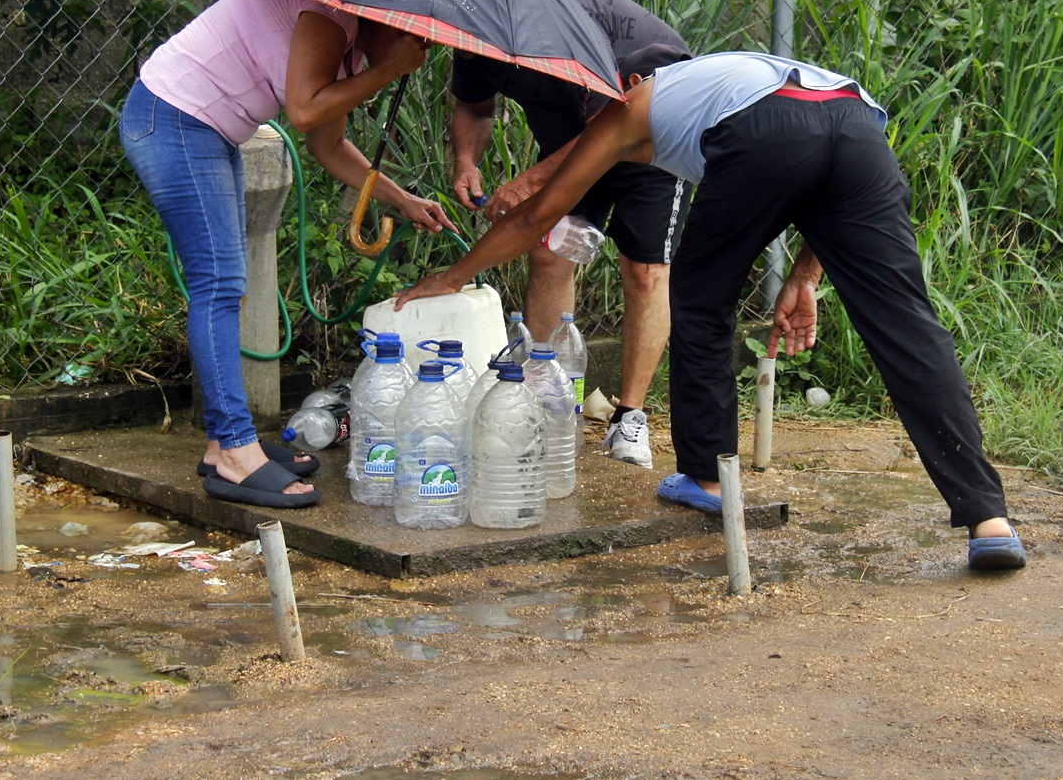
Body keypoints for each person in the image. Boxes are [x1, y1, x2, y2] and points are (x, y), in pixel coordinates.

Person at [398, 50, 1027, 569]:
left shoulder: (628, 110)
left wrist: (452, 278)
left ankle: (703, 479)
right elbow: (826, 180)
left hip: (768, 129)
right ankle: (987, 516)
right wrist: (806, 275)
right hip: (856, 121)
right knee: (906, 324)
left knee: (700, 301)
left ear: (625, 88)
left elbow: (540, 214)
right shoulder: (720, 76)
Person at [121, 0, 457, 509]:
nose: (423, 50)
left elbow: (329, 142)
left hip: (209, 130)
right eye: (416, 36)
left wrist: (403, 201)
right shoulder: (329, 17)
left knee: (227, 284)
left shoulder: (346, 50)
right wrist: (387, 71)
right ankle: (234, 451)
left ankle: (222, 446)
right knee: (219, 284)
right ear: (386, 20)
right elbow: (303, 111)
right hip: (174, 120)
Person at [449, 0, 691, 470]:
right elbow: (473, 106)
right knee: (550, 248)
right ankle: (546, 400)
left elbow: (609, 130)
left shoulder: (562, 32)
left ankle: (630, 419)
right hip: (574, 132)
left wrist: (527, 184)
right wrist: (466, 162)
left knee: (645, 270)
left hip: (649, 123)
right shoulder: (472, 29)